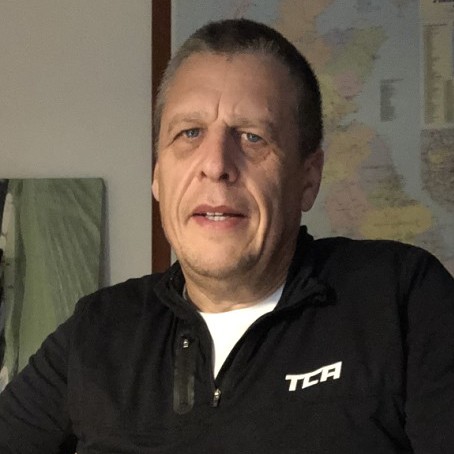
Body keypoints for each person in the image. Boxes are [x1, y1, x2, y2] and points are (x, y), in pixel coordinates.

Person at [0, 18, 453, 454]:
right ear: (158, 175)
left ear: (308, 178)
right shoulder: (98, 330)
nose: (215, 164)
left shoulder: (401, 298)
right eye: (189, 133)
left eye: (252, 137)